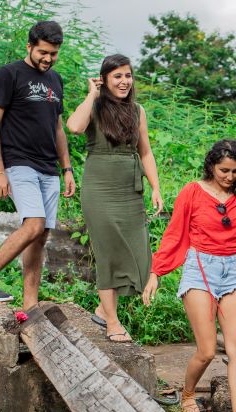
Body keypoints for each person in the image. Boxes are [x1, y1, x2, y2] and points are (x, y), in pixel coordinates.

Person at [142, 139, 236, 412]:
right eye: (224, 170)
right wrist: (156, 272)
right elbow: (175, 234)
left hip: (235, 271)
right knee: (208, 350)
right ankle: (187, 395)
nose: (229, 176)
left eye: (235, 171)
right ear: (211, 166)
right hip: (200, 268)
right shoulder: (193, 191)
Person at [0, 20, 75, 308]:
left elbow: (58, 128)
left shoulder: (56, 80)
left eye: (53, 53)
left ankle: (31, 304)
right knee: (33, 225)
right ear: (29, 46)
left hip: (48, 167)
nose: (48, 59)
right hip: (18, 161)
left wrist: (67, 169)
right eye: (43, 52)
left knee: (41, 235)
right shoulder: (9, 74)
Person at [66, 54, 163, 342]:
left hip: (130, 191)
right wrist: (91, 94)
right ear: (105, 79)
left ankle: (102, 307)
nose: (124, 81)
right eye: (117, 76)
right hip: (99, 189)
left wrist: (156, 187)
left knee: (139, 255)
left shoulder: (138, 111)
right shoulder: (94, 106)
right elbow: (74, 126)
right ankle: (112, 321)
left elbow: (145, 152)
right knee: (108, 253)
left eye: (128, 76)